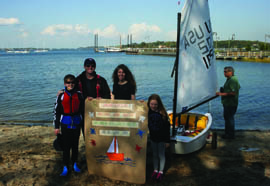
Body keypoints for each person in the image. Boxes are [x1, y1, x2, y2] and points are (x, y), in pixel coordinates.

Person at [53, 74, 84, 176]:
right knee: (66, 147)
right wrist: (56, 126)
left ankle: (74, 164)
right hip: (65, 123)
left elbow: (83, 110)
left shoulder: (79, 95)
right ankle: (65, 166)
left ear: (75, 83)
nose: (70, 84)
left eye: (72, 82)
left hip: (76, 123)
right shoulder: (61, 95)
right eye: (68, 83)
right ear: (65, 83)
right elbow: (56, 112)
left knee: (75, 145)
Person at [147, 94, 170, 182]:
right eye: (151, 104)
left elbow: (167, 129)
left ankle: (161, 171)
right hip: (153, 137)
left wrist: (167, 141)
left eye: (155, 104)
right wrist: (141, 103)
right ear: (149, 103)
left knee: (161, 155)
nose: (153, 106)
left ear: (159, 104)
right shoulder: (148, 111)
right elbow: (140, 110)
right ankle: (155, 170)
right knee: (155, 154)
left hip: (161, 139)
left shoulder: (163, 114)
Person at [216, 66, 240, 139]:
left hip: (230, 104)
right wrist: (223, 90)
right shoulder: (229, 79)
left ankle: (230, 135)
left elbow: (233, 93)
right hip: (227, 103)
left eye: (225, 71)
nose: (224, 73)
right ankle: (227, 134)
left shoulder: (233, 80)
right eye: (224, 71)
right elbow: (237, 87)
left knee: (229, 119)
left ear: (231, 72)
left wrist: (221, 94)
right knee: (227, 118)